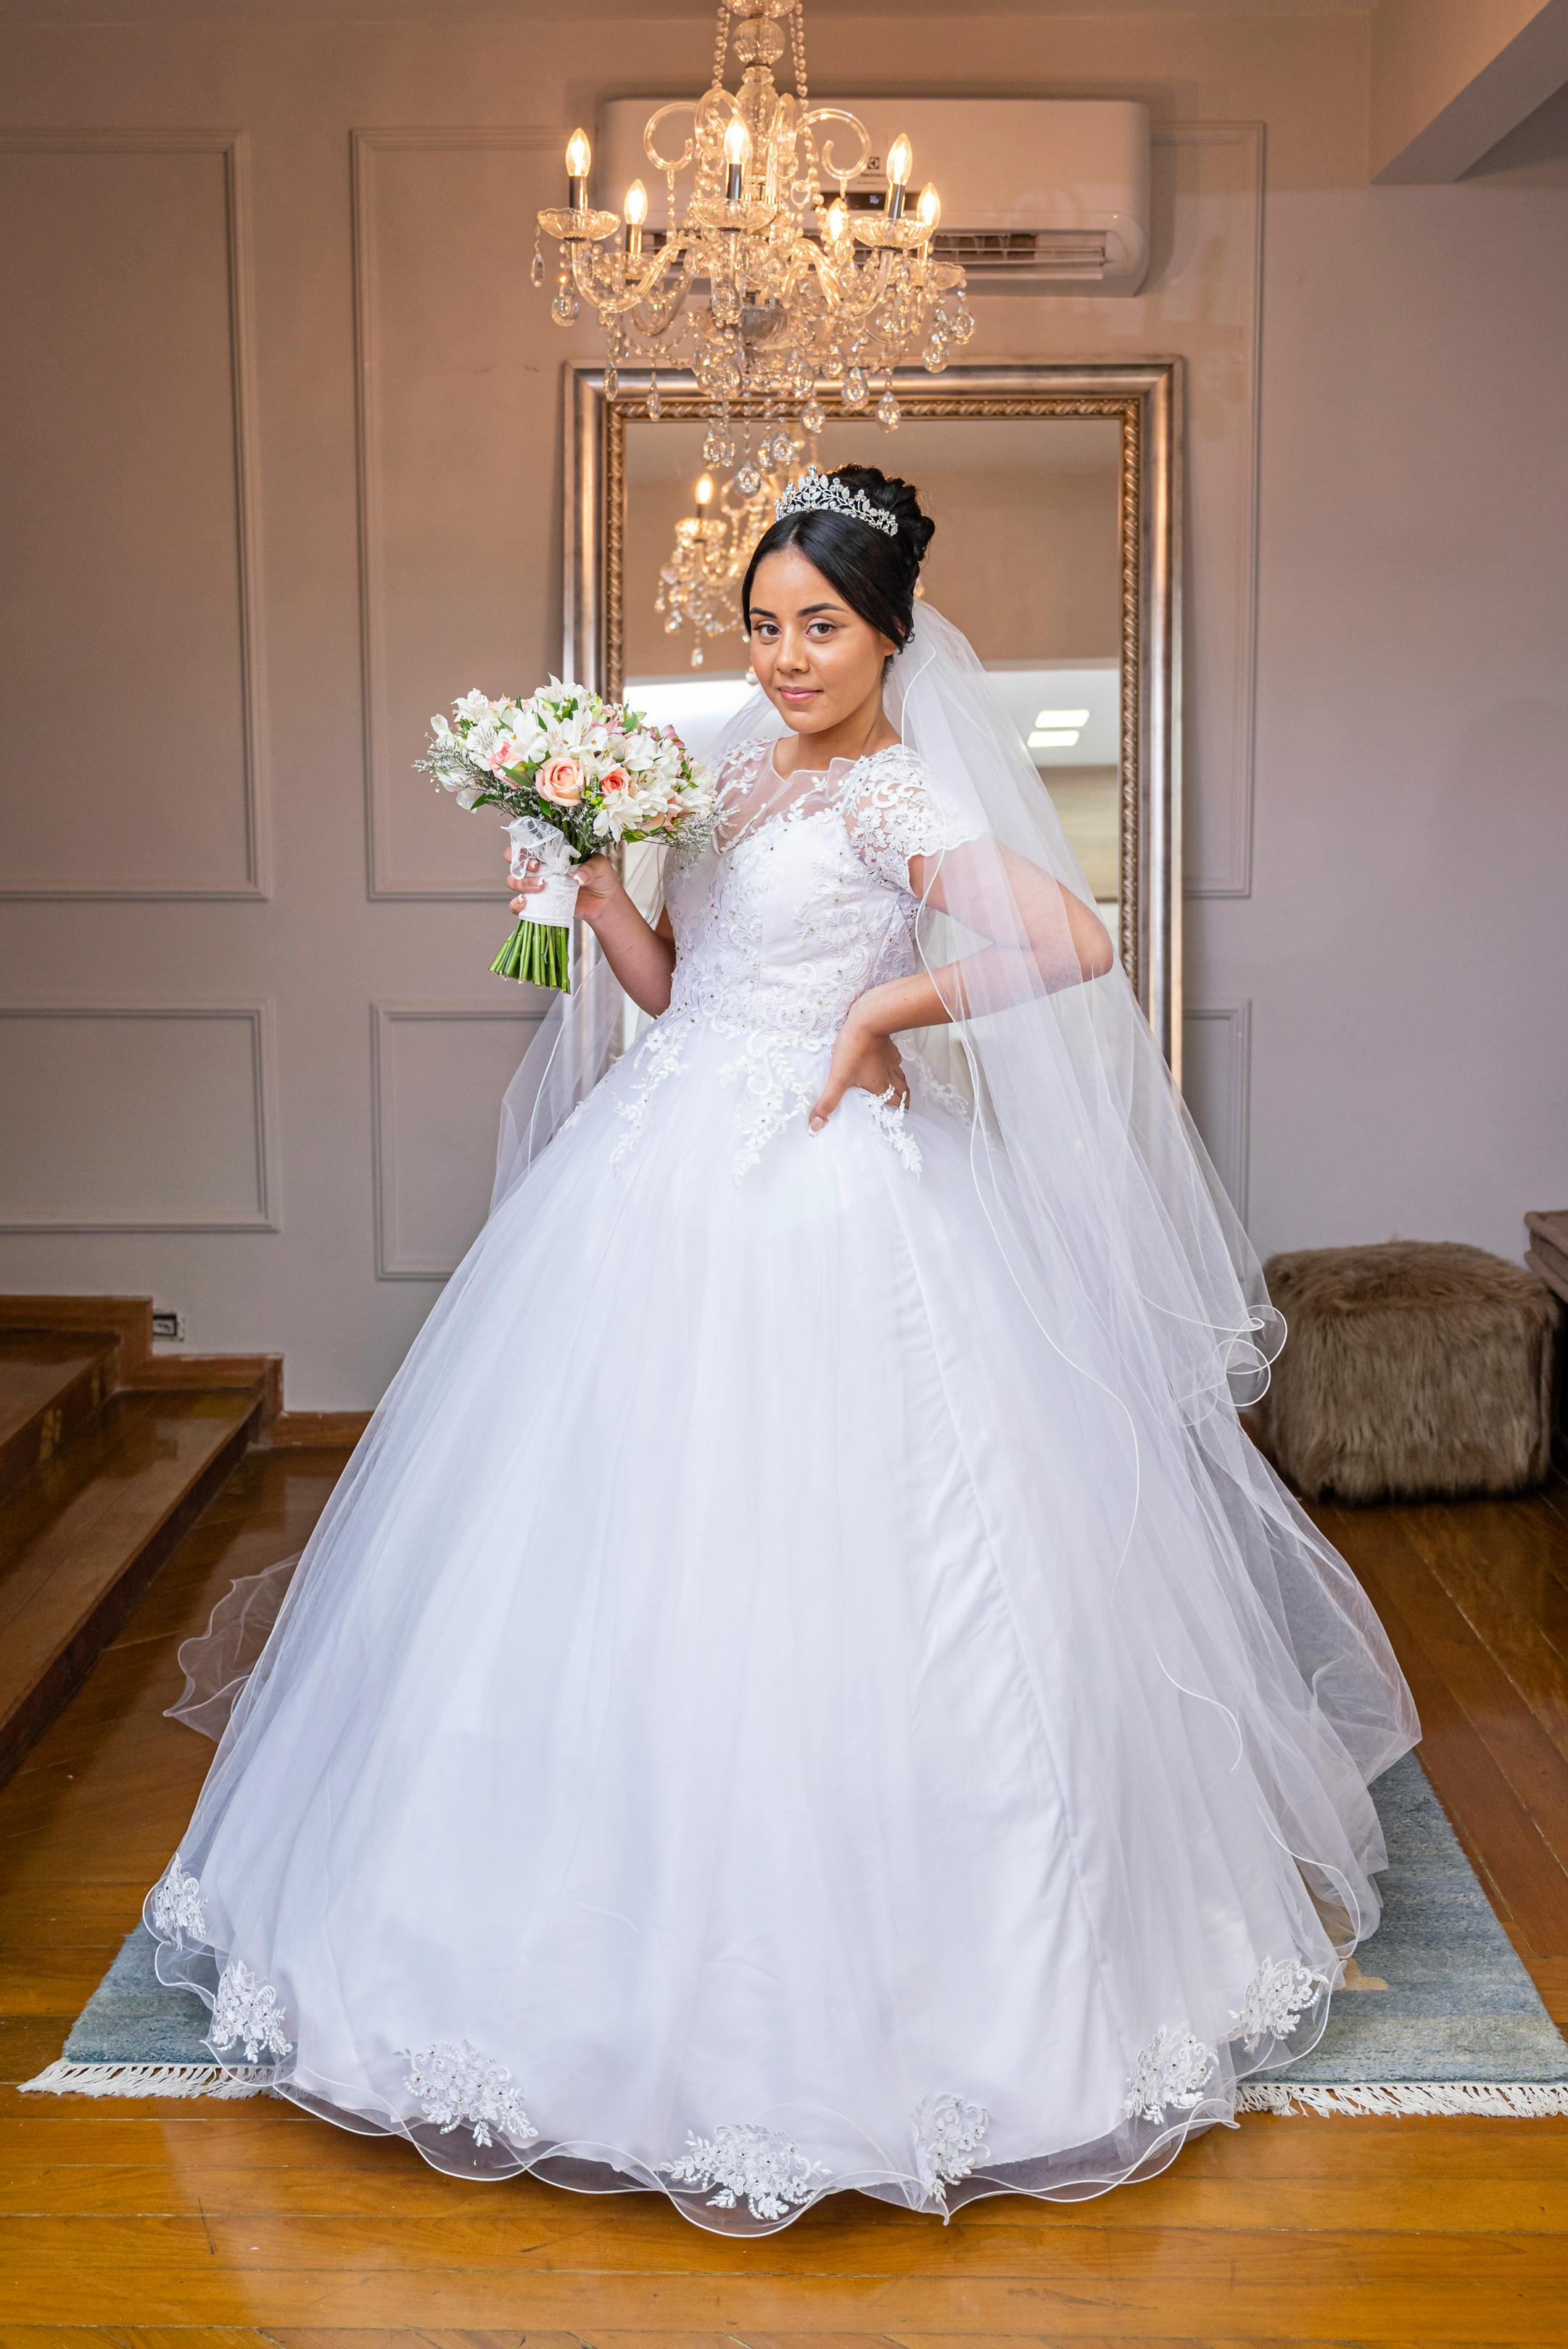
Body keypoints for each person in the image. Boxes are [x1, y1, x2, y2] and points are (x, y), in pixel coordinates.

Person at [144, 463, 1417, 2234]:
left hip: (831, 1184)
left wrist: (886, 1007)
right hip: (657, 1163)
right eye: (763, 623)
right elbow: (682, 984)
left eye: (820, 624)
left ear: (890, 633)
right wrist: (591, 888)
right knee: (591, 1555)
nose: (788, 653)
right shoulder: (726, 769)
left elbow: (1069, 936)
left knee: (864, 1563)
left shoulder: (900, 786)